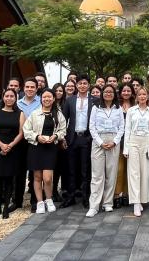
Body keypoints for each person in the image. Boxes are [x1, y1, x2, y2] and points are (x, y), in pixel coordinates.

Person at [24, 88, 66, 214]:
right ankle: (40, 202)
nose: (47, 99)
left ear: (53, 99)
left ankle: (49, 199)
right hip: (36, 147)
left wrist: (56, 136)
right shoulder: (35, 114)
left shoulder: (58, 114)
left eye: (49, 97)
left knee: (47, 178)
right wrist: (37, 137)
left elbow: (63, 130)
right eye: (44, 97)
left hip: (50, 148)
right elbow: (26, 130)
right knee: (37, 177)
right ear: (41, 99)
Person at [86, 84, 125, 217]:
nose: (108, 94)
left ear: (114, 94)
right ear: (102, 94)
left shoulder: (118, 108)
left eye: (111, 92)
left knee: (111, 174)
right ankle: (94, 206)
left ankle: (108, 203)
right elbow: (91, 127)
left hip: (113, 141)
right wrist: (101, 143)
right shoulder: (96, 108)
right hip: (99, 141)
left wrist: (115, 141)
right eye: (106, 92)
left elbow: (122, 127)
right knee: (97, 175)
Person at [61, 74, 97, 208]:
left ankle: (86, 197)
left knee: (85, 169)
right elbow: (64, 119)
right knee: (71, 169)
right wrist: (63, 138)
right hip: (72, 138)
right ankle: (70, 197)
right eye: (80, 83)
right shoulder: (70, 100)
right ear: (76, 85)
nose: (82, 86)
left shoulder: (95, 100)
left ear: (89, 85)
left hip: (87, 138)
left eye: (85, 83)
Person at [0, 88, 26, 219]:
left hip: (13, 149)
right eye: (7, 96)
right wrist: (2, 145)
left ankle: (6, 208)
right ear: (3, 98)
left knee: (10, 179)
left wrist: (10, 146)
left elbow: (21, 133)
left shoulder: (20, 114)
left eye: (12, 96)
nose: (9, 98)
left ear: (15, 98)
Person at [124, 87, 149, 217]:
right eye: (140, 94)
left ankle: (142, 199)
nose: (142, 96)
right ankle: (136, 202)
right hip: (133, 142)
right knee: (133, 173)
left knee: (144, 173)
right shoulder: (131, 111)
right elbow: (127, 129)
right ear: (136, 97)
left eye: (145, 94)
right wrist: (126, 148)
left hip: (146, 142)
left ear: (148, 97)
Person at [17, 78, 41, 212]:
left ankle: (34, 201)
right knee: (19, 171)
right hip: (20, 141)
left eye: (32, 87)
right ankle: (17, 200)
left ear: (37, 89)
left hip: (35, 141)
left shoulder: (41, 102)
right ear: (23, 88)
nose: (30, 89)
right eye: (27, 87)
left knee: (34, 172)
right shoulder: (17, 103)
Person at [114, 83, 135, 208]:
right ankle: (117, 194)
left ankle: (127, 194)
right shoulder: (116, 106)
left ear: (132, 92)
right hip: (118, 140)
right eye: (124, 91)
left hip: (132, 140)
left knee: (129, 169)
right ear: (120, 92)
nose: (126, 93)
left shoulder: (136, 105)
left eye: (128, 91)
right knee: (119, 169)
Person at [51, 83, 69, 203]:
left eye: (61, 91)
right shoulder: (48, 104)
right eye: (56, 90)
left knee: (58, 167)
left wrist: (63, 138)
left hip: (61, 140)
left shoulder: (65, 105)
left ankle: (55, 191)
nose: (58, 92)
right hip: (49, 140)